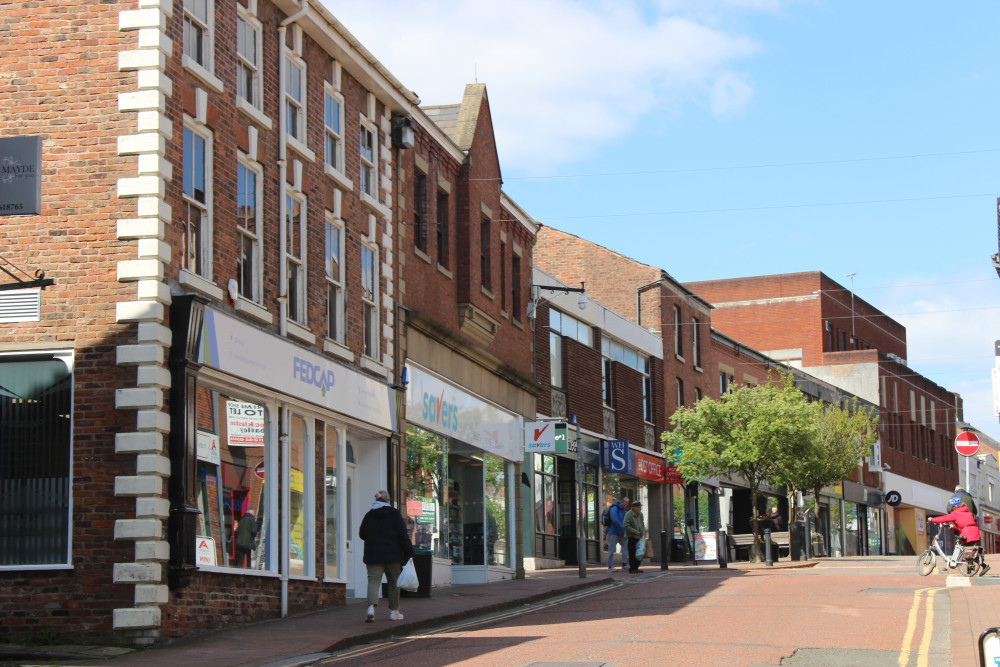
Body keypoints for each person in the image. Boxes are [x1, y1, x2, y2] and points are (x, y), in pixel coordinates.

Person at [359, 490, 415, 623]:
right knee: (394, 583)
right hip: (393, 556)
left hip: (373, 555)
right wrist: (409, 552)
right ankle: (394, 612)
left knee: (373, 581)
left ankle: (371, 609)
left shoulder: (369, 515)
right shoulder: (395, 515)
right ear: (388, 501)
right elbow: (403, 536)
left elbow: (362, 534)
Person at [929, 496, 989, 576]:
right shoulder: (967, 512)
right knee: (970, 550)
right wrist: (955, 526)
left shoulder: (956, 513)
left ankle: (984, 566)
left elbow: (945, 518)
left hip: (967, 533)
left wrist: (932, 519)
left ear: (953, 506)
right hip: (974, 532)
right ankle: (968, 570)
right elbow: (965, 523)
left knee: (968, 552)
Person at [606, 497, 629, 573]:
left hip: (621, 533)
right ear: (622, 502)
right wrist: (622, 528)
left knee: (625, 547)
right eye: (626, 503)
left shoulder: (624, 510)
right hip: (613, 532)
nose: (627, 504)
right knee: (611, 549)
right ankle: (610, 566)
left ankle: (624, 563)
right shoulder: (614, 508)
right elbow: (614, 520)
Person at [623, 500, 646, 574]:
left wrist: (643, 531)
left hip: (639, 537)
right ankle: (632, 568)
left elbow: (642, 524)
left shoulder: (641, 514)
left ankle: (636, 567)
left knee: (639, 553)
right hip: (632, 536)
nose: (640, 509)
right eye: (639, 507)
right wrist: (636, 532)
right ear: (634, 508)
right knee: (632, 553)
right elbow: (626, 526)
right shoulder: (628, 514)